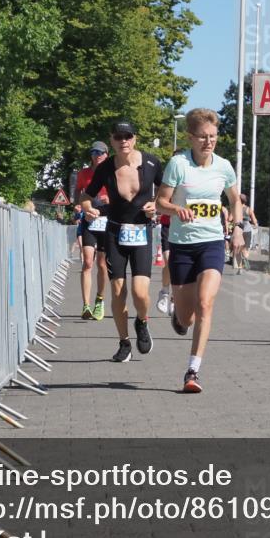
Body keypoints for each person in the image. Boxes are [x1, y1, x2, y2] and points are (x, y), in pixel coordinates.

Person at [155, 108, 243, 393]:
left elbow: (234, 199)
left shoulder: (224, 167)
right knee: (186, 318)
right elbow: (160, 202)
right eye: (203, 137)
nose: (209, 142)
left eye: (213, 137)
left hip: (212, 243)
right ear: (191, 137)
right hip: (182, 246)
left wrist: (238, 227)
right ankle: (178, 316)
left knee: (206, 303)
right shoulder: (178, 164)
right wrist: (176, 209)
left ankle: (193, 371)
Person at [83, 123, 162, 361]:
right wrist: (88, 209)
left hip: (141, 232)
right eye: (119, 137)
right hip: (115, 233)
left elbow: (169, 191)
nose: (123, 141)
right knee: (118, 291)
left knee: (140, 292)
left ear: (135, 138)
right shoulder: (106, 168)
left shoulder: (151, 163)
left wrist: (156, 205)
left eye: (128, 136)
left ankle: (142, 321)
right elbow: (86, 196)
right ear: (112, 140)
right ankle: (124, 342)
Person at [75, 142, 111, 320]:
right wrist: (78, 205)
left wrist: (109, 199)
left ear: (106, 154)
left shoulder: (113, 172)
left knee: (102, 264)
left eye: (100, 152)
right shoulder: (84, 173)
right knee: (88, 262)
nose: (96, 155)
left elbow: (124, 194)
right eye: (93, 152)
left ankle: (100, 299)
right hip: (90, 220)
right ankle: (85, 305)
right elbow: (78, 192)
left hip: (106, 221)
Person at [234, 193, 258, 273]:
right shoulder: (249, 209)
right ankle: (246, 259)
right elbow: (254, 221)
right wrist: (254, 224)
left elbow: (230, 218)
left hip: (238, 230)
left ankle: (239, 267)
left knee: (238, 250)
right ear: (245, 201)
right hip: (247, 230)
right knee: (246, 249)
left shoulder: (236, 208)